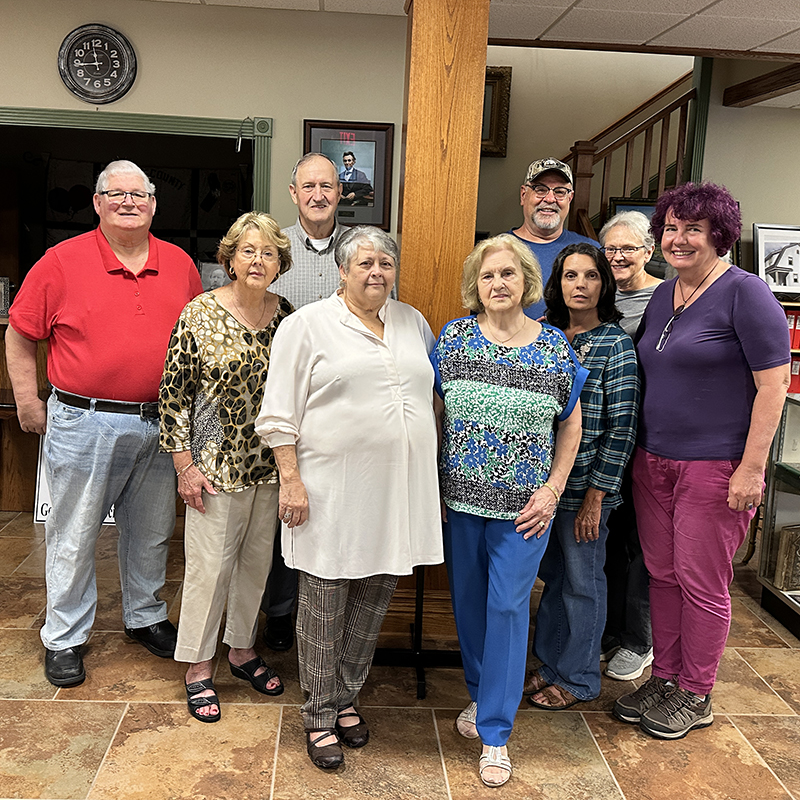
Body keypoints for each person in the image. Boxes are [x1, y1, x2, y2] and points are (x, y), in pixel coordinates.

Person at [6, 159, 202, 687]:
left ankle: (145, 616)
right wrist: (28, 399)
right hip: (82, 422)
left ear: (154, 204)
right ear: (97, 203)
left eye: (139, 194)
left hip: (162, 424)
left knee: (152, 532)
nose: (128, 202)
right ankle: (65, 636)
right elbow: (22, 334)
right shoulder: (60, 262)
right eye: (115, 194)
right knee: (73, 533)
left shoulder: (181, 264)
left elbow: (196, 346)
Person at [255, 226, 442, 770]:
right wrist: (291, 480)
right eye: (364, 262)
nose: (376, 272)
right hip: (329, 490)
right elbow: (278, 413)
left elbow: (427, 397)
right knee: (323, 602)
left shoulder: (412, 321)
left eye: (386, 262)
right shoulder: (306, 325)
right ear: (342, 269)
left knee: (374, 597)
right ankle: (318, 713)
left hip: (397, 490)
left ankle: (346, 697)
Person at [613, 182, 790, 740]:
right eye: (671, 227)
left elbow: (775, 386)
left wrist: (752, 468)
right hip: (654, 460)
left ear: (719, 234)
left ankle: (696, 692)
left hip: (715, 465)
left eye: (694, 228)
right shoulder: (665, 294)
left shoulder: (747, 292)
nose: (679, 238)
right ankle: (665, 678)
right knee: (662, 577)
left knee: (701, 581)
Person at [431, 234, 585, 788]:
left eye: (509, 274)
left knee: (507, 609)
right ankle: (480, 696)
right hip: (462, 503)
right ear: (477, 285)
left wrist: (554, 488)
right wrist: (434, 478)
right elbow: (433, 408)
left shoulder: (554, 347)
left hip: (526, 510)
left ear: (527, 282)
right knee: (471, 608)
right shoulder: (452, 339)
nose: (498, 284)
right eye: (489, 275)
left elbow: (571, 421)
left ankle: (496, 734)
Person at [160, 212, 293, 722]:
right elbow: (173, 396)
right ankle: (198, 663)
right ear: (229, 259)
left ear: (280, 263)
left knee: (255, 566)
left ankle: (241, 650)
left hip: (269, 464)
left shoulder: (287, 317)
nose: (258, 260)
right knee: (209, 570)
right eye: (248, 251)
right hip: (213, 464)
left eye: (268, 253)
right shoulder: (199, 313)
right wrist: (184, 465)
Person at [527, 242, 639, 711]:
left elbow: (623, 427)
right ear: (557, 284)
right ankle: (551, 665)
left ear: (604, 284)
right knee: (553, 581)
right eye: (571, 276)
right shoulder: (544, 334)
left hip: (584, 492)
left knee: (582, 584)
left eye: (590, 276)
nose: (580, 285)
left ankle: (578, 679)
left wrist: (597, 494)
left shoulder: (616, 344)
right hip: (542, 488)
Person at [261, 153, 348, 653]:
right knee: (284, 512)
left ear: (340, 193)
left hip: (340, 405)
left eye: (327, 185)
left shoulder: (362, 249)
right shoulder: (273, 250)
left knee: (328, 513)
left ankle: (325, 617)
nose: (318, 194)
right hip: (285, 404)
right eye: (308, 186)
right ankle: (279, 611)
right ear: (293, 193)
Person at [598, 211, 661, 681]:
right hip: (607, 442)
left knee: (641, 546)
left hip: (650, 440)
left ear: (649, 251)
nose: (618, 257)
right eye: (611, 249)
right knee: (608, 541)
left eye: (629, 248)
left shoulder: (667, 297)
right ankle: (609, 631)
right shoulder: (599, 297)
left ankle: (639, 639)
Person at [508, 157, 597, 320]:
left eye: (560, 192)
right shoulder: (496, 250)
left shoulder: (592, 251)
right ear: (523, 195)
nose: (550, 199)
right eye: (540, 189)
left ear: (570, 199)